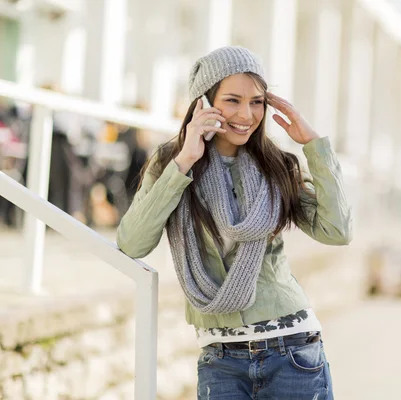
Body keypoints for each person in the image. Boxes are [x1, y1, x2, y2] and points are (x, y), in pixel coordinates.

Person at [116, 46, 352, 399]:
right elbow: (132, 244)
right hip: (221, 362)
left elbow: (337, 231)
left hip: (293, 352)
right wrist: (185, 162)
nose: (247, 114)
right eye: (232, 100)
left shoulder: (277, 167)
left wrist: (315, 146)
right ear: (203, 103)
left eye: (257, 101)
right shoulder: (171, 162)